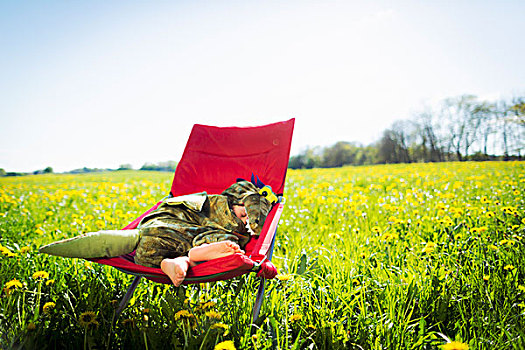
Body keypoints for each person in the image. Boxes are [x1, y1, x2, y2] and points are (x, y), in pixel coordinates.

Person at [39, 180, 274, 286]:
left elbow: (251, 227)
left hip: (183, 244)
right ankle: (193, 253)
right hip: (176, 221)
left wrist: (249, 228)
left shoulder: (239, 231)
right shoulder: (233, 197)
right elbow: (249, 195)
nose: (245, 222)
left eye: (248, 222)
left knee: (222, 243)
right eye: (244, 216)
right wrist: (256, 208)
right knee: (149, 238)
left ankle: (177, 262)